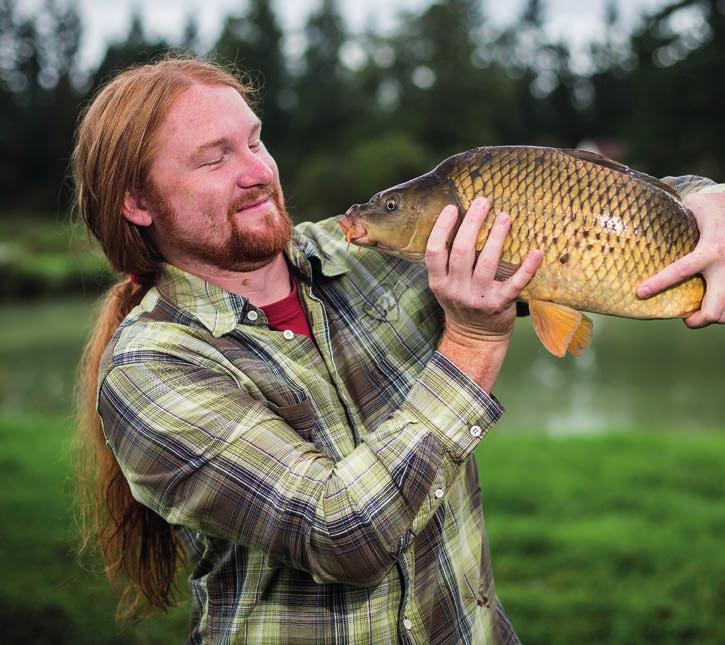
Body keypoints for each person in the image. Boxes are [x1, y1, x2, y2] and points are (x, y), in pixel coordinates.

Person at [73, 58, 724, 644]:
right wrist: (472, 340)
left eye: (254, 139)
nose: (258, 171)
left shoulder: (366, 255)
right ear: (137, 201)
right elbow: (341, 535)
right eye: (213, 158)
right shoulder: (150, 371)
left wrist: (702, 197)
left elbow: (579, 200)